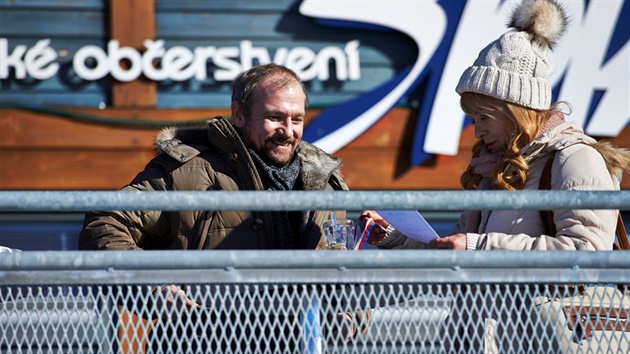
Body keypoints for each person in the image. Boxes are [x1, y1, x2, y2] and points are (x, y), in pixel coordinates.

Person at [360, 0, 630, 351]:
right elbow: (454, 253)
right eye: (473, 119)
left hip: (545, 339)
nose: (476, 132)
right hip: (490, 339)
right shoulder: (498, 168)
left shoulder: (575, 159)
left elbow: (586, 255)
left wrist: (479, 247)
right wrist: (395, 237)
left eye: (484, 117)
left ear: (515, 110)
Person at [79, 63, 365, 350]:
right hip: (200, 343)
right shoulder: (187, 171)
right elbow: (105, 224)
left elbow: (343, 274)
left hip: (297, 344)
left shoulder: (324, 182)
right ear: (239, 114)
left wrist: (350, 319)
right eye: (275, 118)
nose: (287, 131)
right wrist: (154, 291)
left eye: (297, 119)